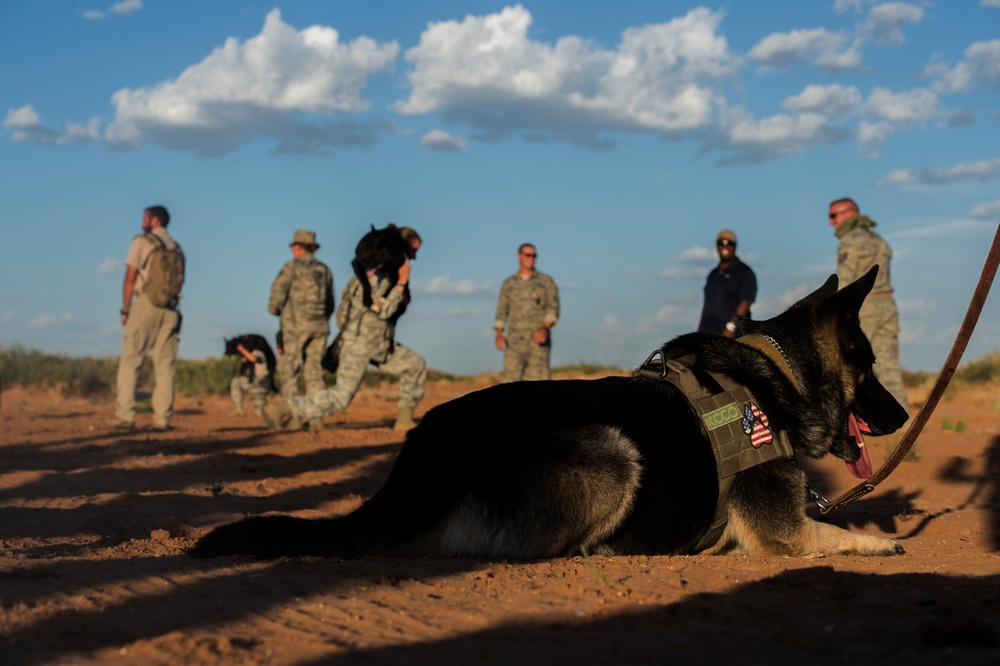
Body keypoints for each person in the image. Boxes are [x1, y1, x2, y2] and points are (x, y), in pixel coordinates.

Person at [266, 227, 426, 432]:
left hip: (377, 344)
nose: (414, 257)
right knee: (336, 392)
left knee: (414, 365)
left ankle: (404, 419)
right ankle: (288, 408)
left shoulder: (376, 273)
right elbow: (379, 311)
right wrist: (402, 283)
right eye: (412, 251)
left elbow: (279, 300)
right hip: (357, 342)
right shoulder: (367, 275)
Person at [828, 197, 910, 415]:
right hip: (886, 304)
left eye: (833, 216)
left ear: (848, 213)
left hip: (864, 307)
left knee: (849, 364)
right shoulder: (879, 240)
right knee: (888, 364)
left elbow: (845, 283)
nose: (831, 222)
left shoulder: (850, 241)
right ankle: (901, 419)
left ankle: (851, 421)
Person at [106, 205, 184, 431]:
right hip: (171, 310)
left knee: (131, 361)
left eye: (145, 218)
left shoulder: (142, 242)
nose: (142, 221)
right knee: (166, 366)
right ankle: (162, 420)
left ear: (156, 221)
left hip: (146, 305)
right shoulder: (177, 249)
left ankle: (125, 416)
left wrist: (125, 309)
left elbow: (130, 278)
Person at [267, 229, 335, 429]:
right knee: (314, 372)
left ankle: (296, 416)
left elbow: (276, 296)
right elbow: (331, 302)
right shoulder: (324, 270)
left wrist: (275, 310)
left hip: (295, 327)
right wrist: (321, 319)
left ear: (297, 247)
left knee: (288, 369)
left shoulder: (291, 267)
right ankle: (316, 418)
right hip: (320, 326)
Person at [493, 243, 560, 382]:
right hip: (514, 344)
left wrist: (544, 330)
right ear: (519, 256)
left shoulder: (546, 282)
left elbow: (553, 309)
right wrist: (499, 335)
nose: (531, 258)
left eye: (534, 255)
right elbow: (501, 311)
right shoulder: (509, 283)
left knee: (542, 388)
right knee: (508, 389)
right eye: (528, 254)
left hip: (538, 344)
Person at [697, 229, 758, 338]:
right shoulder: (713, 274)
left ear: (735, 247)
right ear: (717, 247)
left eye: (729, 243)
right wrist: (699, 331)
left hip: (731, 337)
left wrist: (731, 328)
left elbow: (745, 301)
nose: (725, 246)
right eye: (721, 243)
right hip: (708, 334)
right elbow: (707, 305)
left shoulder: (744, 272)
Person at [225, 334, 275, 417]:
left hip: (261, 381)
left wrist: (241, 349)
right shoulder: (250, 353)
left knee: (236, 382)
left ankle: (240, 410)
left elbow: (253, 358)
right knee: (259, 410)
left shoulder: (257, 351)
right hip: (258, 382)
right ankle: (239, 409)